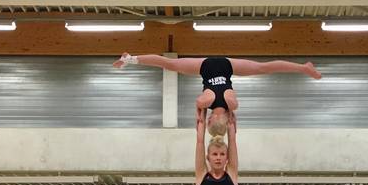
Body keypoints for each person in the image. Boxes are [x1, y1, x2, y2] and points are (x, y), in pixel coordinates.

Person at [112, 54, 321, 137]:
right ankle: (130, 59)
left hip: (224, 66)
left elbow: (232, 101)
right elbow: (198, 101)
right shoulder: (208, 102)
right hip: (207, 67)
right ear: (211, 118)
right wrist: (199, 114)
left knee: (262, 68)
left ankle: (303, 68)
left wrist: (232, 115)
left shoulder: (230, 103)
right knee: (170, 64)